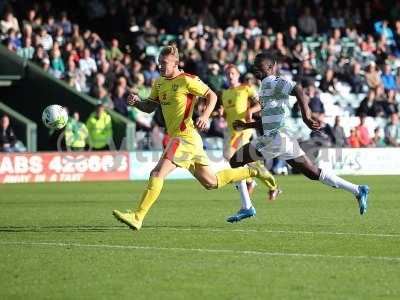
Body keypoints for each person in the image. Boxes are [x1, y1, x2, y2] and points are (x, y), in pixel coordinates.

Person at [112, 46, 274, 230]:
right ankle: (252, 172)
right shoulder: (158, 83)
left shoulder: (187, 80)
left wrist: (205, 116)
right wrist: (137, 103)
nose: (160, 66)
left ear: (176, 63)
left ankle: (137, 216)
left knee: (157, 173)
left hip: (184, 137)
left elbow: (211, 95)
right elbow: (150, 106)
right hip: (187, 140)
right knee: (211, 182)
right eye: (159, 63)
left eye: (164, 63)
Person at [229, 52, 369, 216]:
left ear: (270, 67)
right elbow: (267, 119)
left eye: (258, 63)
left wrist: (306, 116)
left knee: (236, 161)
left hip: (274, 138)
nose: (254, 66)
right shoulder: (265, 87)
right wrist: (247, 125)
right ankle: (357, 190)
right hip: (282, 139)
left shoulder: (274, 81)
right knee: (313, 173)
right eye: (253, 63)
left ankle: (247, 207)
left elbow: (298, 90)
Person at [221, 64, 280, 223]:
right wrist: (219, 113)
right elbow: (226, 112)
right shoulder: (225, 93)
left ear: (238, 74)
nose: (230, 76)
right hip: (231, 132)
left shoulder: (246, 88)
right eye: (227, 74)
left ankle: (250, 189)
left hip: (244, 130)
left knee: (234, 159)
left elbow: (261, 103)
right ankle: (267, 185)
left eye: (233, 73)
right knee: (249, 163)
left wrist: (250, 111)